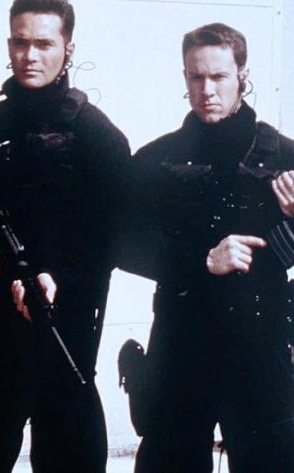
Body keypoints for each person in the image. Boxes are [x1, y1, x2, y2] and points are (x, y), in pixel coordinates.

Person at [0, 0, 131, 473]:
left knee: (67, 452)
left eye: (44, 44)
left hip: (62, 317)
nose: (29, 56)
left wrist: (60, 277)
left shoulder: (96, 134)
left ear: (68, 49)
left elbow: (115, 236)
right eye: (20, 42)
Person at [121, 23, 294, 473]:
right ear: (184, 76)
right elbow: (122, 242)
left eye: (218, 76)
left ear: (242, 75)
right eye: (196, 77)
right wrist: (201, 260)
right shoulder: (157, 159)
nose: (207, 90)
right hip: (181, 339)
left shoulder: (283, 156)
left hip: (261, 342)